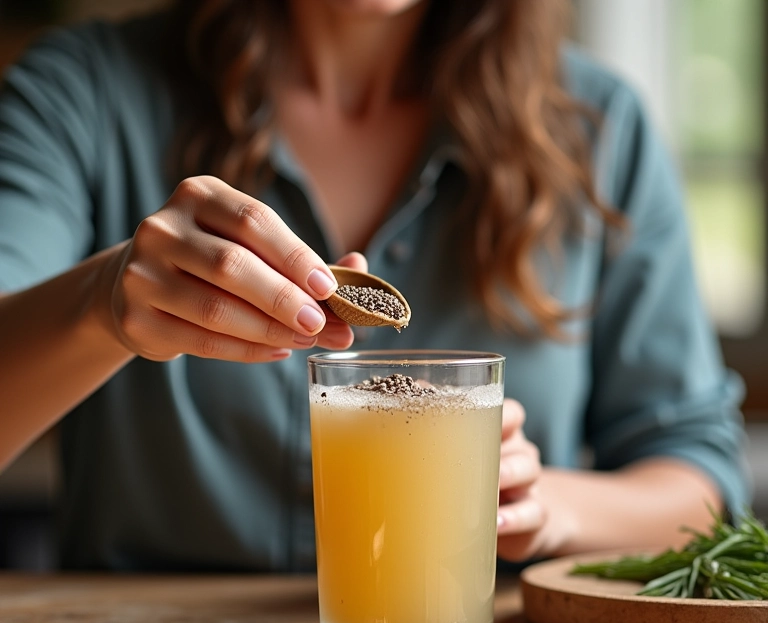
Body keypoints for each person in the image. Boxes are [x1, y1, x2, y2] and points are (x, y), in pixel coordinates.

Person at [0, 0, 750, 571]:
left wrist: (545, 505)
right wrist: (101, 306)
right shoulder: (80, 93)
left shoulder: (600, 130)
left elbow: (701, 478)